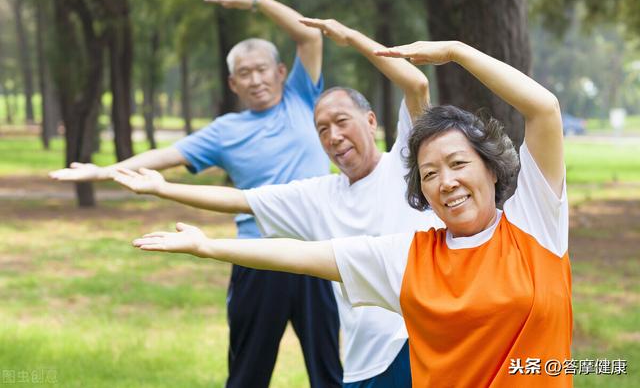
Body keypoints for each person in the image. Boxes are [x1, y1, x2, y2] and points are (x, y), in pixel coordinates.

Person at [131, 40, 571, 387]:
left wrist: (455, 52)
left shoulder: (534, 222)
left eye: (458, 164)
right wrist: (206, 247)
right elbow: (304, 256)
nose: (447, 182)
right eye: (430, 173)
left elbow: (544, 108)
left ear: (491, 168)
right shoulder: (410, 258)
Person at [113, 18, 443, 387]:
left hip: (417, 344)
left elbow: (415, 83)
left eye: (342, 121)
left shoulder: (405, 160)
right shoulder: (319, 196)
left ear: (370, 120)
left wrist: (350, 37)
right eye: (322, 129)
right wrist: (163, 189)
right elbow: (241, 200)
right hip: (363, 362)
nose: (334, 136)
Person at [50, 0, 343, 388]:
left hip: (316, 255)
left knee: (329, 373)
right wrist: (104, 171)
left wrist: (257, 2)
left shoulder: (302, 97)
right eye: (244, 73)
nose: (255, 80)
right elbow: (166, 155)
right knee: (247, 374)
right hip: (257, 258)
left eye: (261, 70)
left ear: (280, 71)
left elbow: (310, 37)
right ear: (232, 82)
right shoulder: (226, 131)